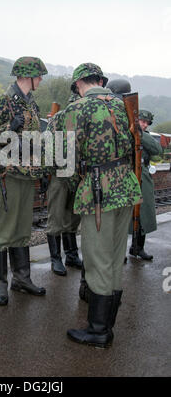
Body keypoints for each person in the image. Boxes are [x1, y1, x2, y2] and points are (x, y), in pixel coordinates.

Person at [50, 63, 142, 348]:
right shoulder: (122, 105)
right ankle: (107, 324)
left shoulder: (77, 110)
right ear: (101, 80)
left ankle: (99, 330)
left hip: (99, 190)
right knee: (114, 259)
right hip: (126, 187)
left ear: (78, 85)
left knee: (97, 260)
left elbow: (61, 156)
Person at [0, 56, 48, 306]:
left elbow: (37, 142)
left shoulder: (32, 105)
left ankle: (21, 279)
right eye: (39, 75)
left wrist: (42, 171)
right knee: (3, 230)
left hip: (27, 175)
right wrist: (9, 127)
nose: (41, 79)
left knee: (23, 230)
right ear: (26, 76)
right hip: (8, 174)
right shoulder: (0, 102)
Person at [46, 93, 82, 276]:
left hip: (78, 175)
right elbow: (48, 141)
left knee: (73, 217)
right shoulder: (60, 117)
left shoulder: (85, 116)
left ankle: (72, 255)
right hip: (60, 174)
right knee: (56, 218)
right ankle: (55, 259)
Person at [128, 109, 162, 260]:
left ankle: (138, 247)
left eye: (147, 123)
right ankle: (118, 251)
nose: (145, 124)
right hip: (127, 175)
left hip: (144, 175)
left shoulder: (145, 136)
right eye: (142, 121)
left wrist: (141, 135)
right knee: (124, 214)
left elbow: (157, 150)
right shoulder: (127, 134)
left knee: (144, 212)